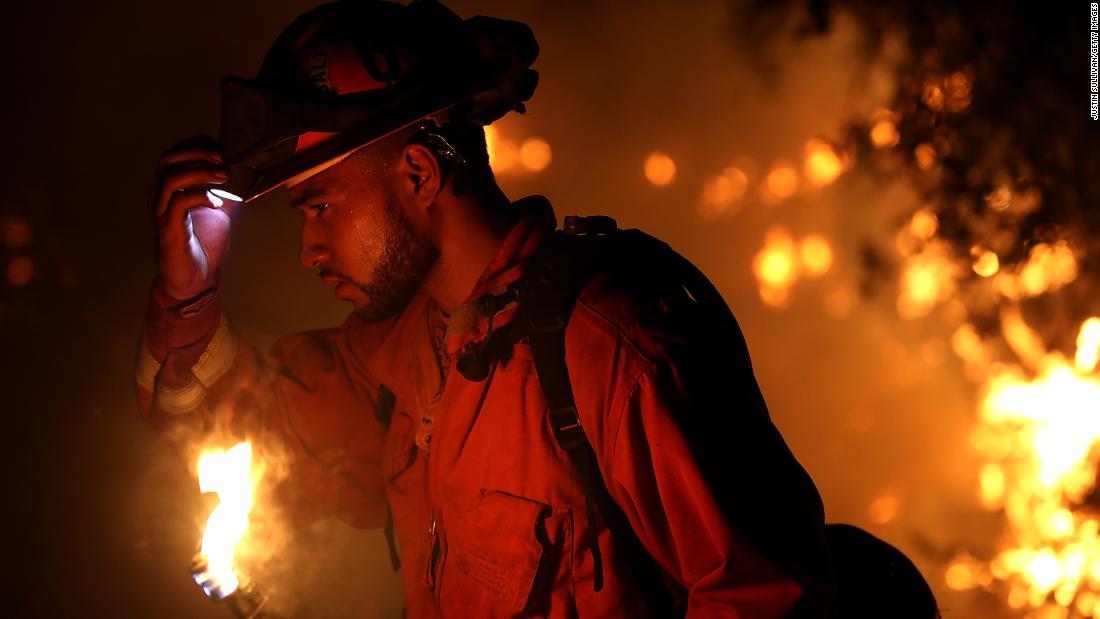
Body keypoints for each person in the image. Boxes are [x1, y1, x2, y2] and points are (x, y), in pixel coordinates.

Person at [137, 1, 834, 616]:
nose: (307, 248)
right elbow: (224, 447)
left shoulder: (612, 349)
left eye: (319, 206)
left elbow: (765, 598)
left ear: (418, 172)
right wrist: (187, 296)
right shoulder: (401, 358)